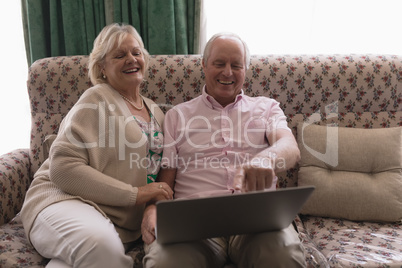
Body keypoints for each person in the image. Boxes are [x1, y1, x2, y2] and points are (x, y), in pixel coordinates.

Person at [141, 33, 306, 267]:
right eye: (219, 63)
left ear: (246, 69)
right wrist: (152, 208)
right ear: (204, 65)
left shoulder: (267, 108)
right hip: (193, 224)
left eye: (236, 65)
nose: (228, 72)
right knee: (165, 262)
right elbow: (166, 178)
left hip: (257, 222)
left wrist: (267, 159)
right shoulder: (177, 116)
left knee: (283, 256)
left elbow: (290, 147)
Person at [20, 23, 173, 268]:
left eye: (136, 52)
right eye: (120, 55)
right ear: (102, 67)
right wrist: (136, 194)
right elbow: (62, 168)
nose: (131, 59)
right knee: (103, 249)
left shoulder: (156, 111)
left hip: (111, 221)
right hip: (63, 200)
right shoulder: (96, 98)